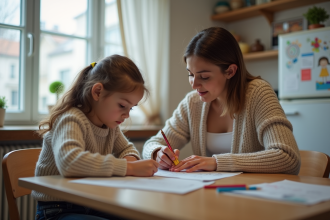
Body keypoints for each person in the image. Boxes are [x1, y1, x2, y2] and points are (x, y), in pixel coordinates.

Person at [142, 27, 300, 175]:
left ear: (230, 71)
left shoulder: (259, 93)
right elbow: (152, 144)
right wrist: (158, 153)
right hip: (211, 193)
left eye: (204, 76)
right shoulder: (193, 103)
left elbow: (288, 157)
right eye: (190, 74)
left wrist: (217, 162)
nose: (194, 84)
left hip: (253, 196)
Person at [33, 55, 158, 220]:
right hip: (57, 209)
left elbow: (127, 149)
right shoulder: (71, 118)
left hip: (90, 204)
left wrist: (131, 158)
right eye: (122, 105)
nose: (127, 114)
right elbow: (70, 162)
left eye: (131, 108)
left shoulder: (110, 126)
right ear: (98, 92)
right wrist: (130, 168)